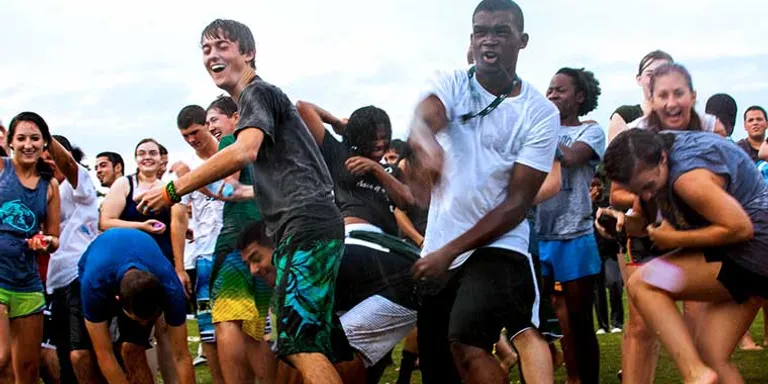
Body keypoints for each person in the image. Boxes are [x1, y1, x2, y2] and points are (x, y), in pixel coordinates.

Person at [137, 18, 353, 383]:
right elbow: (245, 184)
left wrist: (174, 189)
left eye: (222, 46)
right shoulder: (267, 101)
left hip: (306, 227)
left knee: (298, 344)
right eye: (205, 50)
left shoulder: (257, 92)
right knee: (323, 341)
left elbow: (244, 151)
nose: (212, 56)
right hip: (305, 226)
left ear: (248, 53)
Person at [406, 0, 558, 382]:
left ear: (522, 41)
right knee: (438, 367)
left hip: (497, 247)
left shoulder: (539, 112)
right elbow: (425, 117)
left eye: (500, 32)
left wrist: (449, 252)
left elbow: (518, 203)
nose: (488, 41)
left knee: (467, 341)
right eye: (480, 32)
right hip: (441, 246)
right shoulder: (452, 82)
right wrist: (427, 143)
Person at [598, 128, 768, 384]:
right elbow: (646, 220)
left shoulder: (689, 178)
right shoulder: (654, 156)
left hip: (754, 252)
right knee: (712, 353)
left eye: (648, 187)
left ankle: (694, 373)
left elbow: (740, 228)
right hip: (752, 260)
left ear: (663, 159)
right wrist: (622, 223)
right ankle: (702, 369)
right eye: (637, 191)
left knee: (644, 282)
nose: (645, 196)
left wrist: (675, 240)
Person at [297, 101, 419, 382]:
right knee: (338, 342)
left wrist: (376, 170)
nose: (379, 142)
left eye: (383, 135)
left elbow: (406, 200)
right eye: (372, 136)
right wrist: (340, 125)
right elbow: (303, 109)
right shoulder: (339, 153)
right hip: (353, 242)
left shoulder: (389, 172)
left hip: (386, 253)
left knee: (373, 352)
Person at [99, 138, 187, 384]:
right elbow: (105, 221)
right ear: (135, 158)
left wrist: (179, 269)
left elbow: (178, 228)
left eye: (153, 153)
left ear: (161, 158)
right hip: (132, 274)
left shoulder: (171, 187)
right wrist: (141, 226)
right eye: (141, 153)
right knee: (136, 339)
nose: (147, 157)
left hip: (164, 268)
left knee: (167, 333)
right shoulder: (124, 185)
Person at [537, 66, 605, 383]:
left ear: (579, 97)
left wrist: (535, 135)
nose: (551, 95)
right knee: (537, 322)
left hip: (575, 234)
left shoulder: (589, 132)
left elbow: (571, 157)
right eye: (549, 89)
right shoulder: (537, 128)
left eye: (560, 90)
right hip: (536, 236)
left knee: (580, 322)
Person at [204, 95, 277, 384]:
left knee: (227, 320)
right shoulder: (267, 146)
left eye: (214, 119)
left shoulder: (231, 141)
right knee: (255, 326)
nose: (211, 127)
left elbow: (227, 187)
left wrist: (193, 180)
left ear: (236, 117)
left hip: (237, 239)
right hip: (266, 241)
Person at [79, 228, 194, 383]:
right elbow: (104, 354)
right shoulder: (94, 284)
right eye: (140, 319)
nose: (144, 324)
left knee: (132, 349)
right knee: (85, 355)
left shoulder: (171, 288)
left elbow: (182, 355)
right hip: (97, 272)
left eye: (149, 319)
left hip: (142, 264)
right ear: (119, 300)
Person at [0, 112, 61, 383]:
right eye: (21, 138)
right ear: (10, 142)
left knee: (27, 371)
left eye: (35, 138)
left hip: (27, 284)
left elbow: (54, 237)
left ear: (44, 143)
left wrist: (46, 243)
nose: (28, 144)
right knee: (1, 358)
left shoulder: (50, 186)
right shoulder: (1, 170)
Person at [42, 134, 104, 383]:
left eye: (52, 156)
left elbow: (67, 164)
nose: (49, 163)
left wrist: (41, 133)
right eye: (43, 159)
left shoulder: (78, 184)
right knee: (64, 358)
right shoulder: (43, 193)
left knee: (82, 354)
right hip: (55, 283)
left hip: (80, 278)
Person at [171, 105, 225, 383]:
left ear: (207, 125)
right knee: (209, 332)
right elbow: (178, 219)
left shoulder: (231, 152)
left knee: (252, 326)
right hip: (203, 256)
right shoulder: (184, 167)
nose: (192, 140)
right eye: (185, 136)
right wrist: (180, 267)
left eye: (195, 132)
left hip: (236, 250)